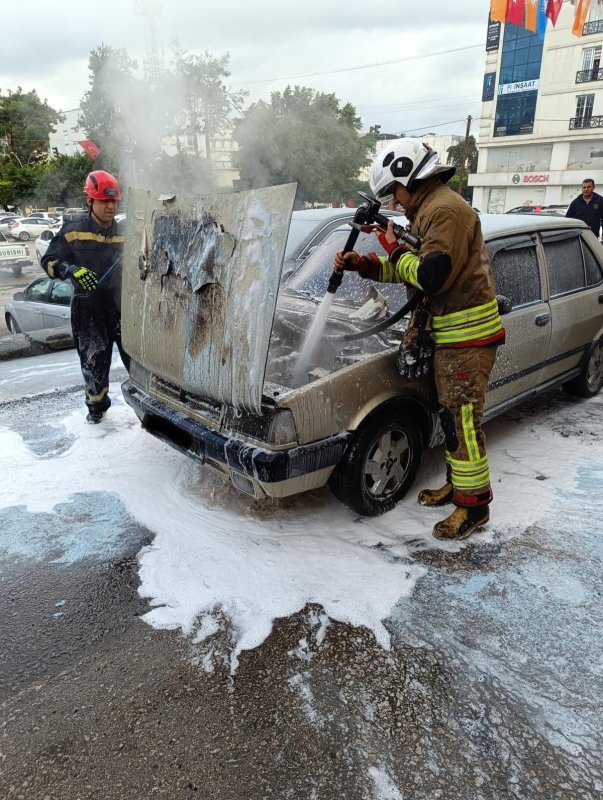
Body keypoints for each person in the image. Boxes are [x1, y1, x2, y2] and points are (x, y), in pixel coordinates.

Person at [333, 139, 505, 541]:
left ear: (410, 178)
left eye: (394, 191)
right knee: (450, 417)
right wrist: (367, 264)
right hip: (450, 338)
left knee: (462, 423)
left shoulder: (444, 211)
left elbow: (431, 277)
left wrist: (392, 251)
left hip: (467, 340)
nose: (393, 201)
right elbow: (413, 268)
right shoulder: (429, 209)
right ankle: (457, 485)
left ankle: (473, 507)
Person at [41, 170, 130, 423]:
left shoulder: (125, 232)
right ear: (90, 201)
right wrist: (69, 269)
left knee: (137, 362)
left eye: (114, 201)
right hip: (88, 309)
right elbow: (48, 260)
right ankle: (97, 411)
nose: (111, 206)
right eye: (104, 201)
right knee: (93, 364)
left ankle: (146, 405)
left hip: (121, 306)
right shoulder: (72, 232)